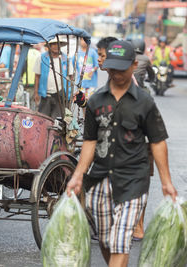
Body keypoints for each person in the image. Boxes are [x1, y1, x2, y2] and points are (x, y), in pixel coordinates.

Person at [66, 40, 178, 267]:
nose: (116, 73)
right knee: (107, 241)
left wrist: (166, 182)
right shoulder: (96, 100)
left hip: (133, 179)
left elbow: (157, 142)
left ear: (133, 65)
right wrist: (78, 175)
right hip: (99, 178)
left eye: (121, 67)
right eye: (113, 67)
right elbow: (90, 141)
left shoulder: (144, 102)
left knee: (120, 241)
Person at [34, 37, 72, 119]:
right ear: (49, 46)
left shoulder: (66, 59)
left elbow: (71, 77)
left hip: (60, 95)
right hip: (45, 94)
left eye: (58, 44)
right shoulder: (42, 58)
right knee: (43, 119)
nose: (56, 46)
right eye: (53, 44)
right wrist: (36, 93)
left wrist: (69, 95)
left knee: (57, 121)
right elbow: (37, 76)